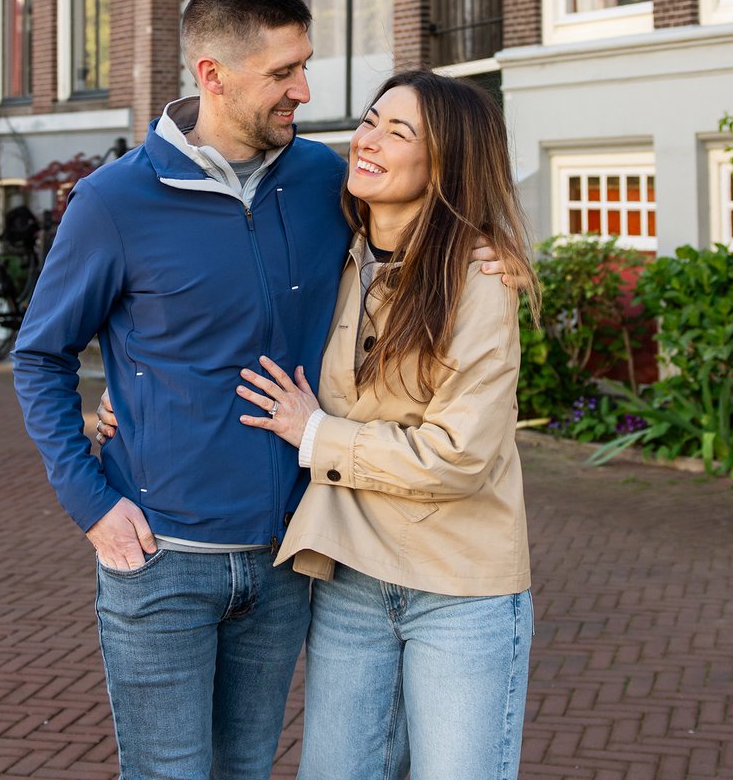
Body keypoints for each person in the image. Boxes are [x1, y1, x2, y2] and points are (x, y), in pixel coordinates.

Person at [11, 0, 351, 780]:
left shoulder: (325, 180)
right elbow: (41, 356)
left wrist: (490, 253)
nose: (303, 90)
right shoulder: (114, 202)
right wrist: (90, 502)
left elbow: (422, 233)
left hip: (287, 554)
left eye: (305, 66)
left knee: (246, 770)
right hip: (161, 558)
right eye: (283, 73)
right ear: (213, 74)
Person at [230, 70, 538, 779]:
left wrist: (316, 435)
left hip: (459, 589)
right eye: (370, 120)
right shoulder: (329, 256)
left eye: (399, 133)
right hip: (351, 579)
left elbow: (455, 457)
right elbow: (233, 329)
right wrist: (125, 398)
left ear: (446, 165)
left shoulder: (478, 279)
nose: (367, 140)